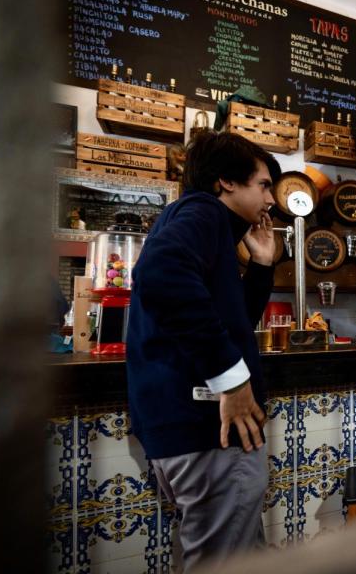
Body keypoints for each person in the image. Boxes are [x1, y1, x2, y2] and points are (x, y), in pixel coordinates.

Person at [125, 132, 279, 572]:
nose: (271, 198)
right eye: (264, 185)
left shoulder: (198, 223)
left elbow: (232, 324)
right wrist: (231, 380)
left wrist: (262, 267)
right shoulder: (204, 213)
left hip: (188, 431)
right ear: (227, 182)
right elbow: (160, 275)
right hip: (207, 432)